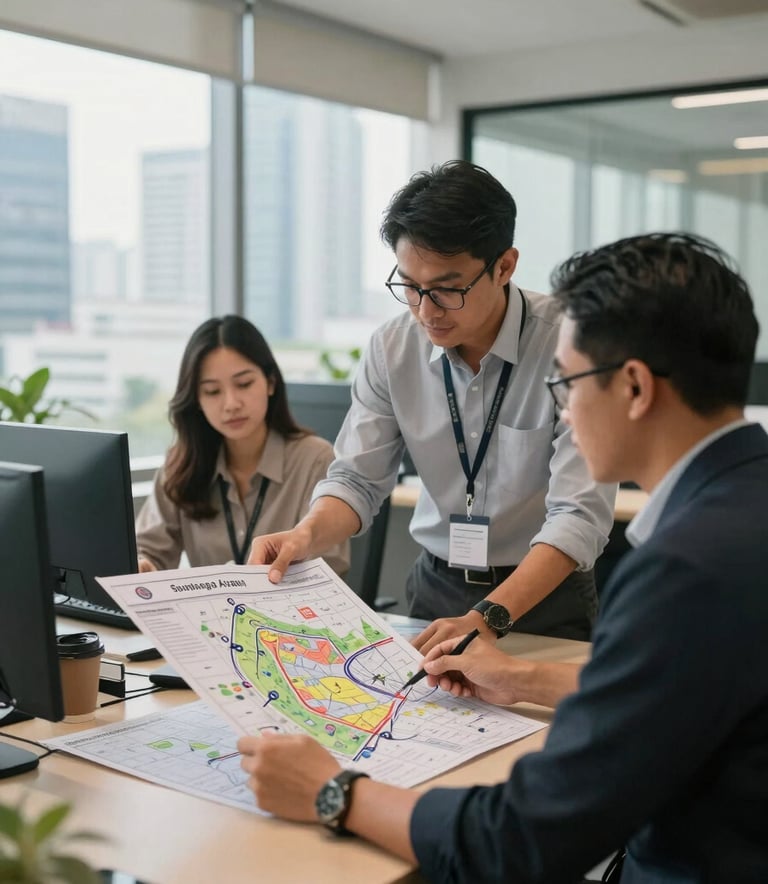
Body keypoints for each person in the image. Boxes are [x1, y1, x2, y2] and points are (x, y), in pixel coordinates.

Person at [238, 232, 768, 882]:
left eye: (568, 384)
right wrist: (520, 680)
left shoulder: (684, 570)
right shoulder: (745, 510)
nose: (565, 414)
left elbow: (528, 837)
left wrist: (335, 791)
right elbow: (676, 691)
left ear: (633, 387)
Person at [249, 160, 615, 647]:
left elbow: (578, 515)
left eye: (446, 289)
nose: (425, 311)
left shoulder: (568, 345)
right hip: (437, 590)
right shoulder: (392, 348)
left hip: (543, 596)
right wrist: (305, 535)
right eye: (410, 286)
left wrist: (486, 618)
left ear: (504, 266)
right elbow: (357, 479)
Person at [135, 315, 349, 575]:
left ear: (270, 383)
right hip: (206, 613)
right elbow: (149, 550)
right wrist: (144, 565)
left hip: (286, 613)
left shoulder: (314, 459)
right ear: (196, 401)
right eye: (212, 391)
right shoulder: (181, 464)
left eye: (244, 384)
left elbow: (328, 567)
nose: (231, 404)